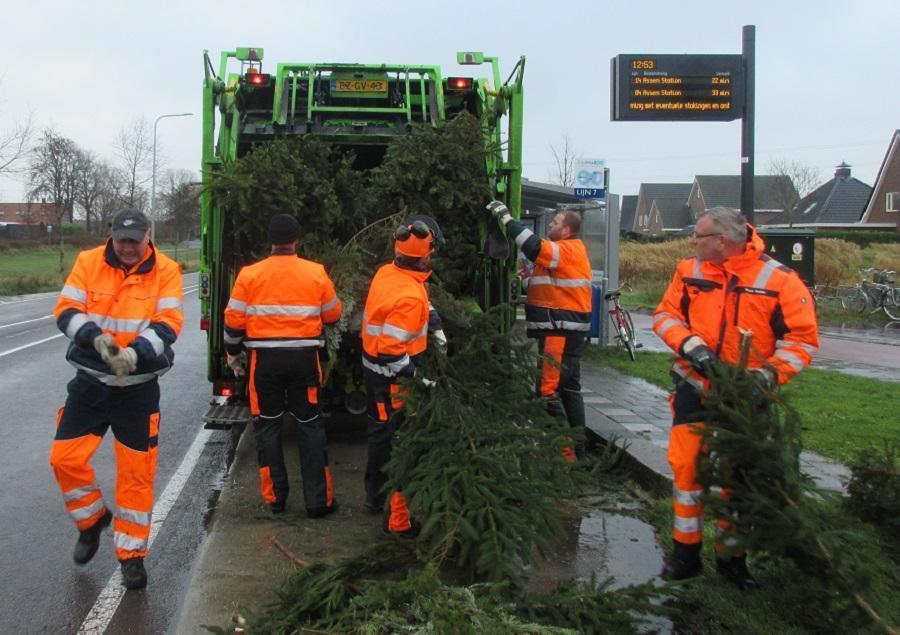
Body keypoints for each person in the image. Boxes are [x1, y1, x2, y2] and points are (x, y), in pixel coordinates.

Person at [652, 206, 819, 589]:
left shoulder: (780, 280)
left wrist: (766, 374)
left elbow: (801, 340)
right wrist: (693, 347)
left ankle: (732, 559)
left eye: (699, 235)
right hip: (696, 388)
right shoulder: (689, 270)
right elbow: (665, 315)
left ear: (722, 241)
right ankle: (685, 554)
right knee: (687, 469)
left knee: (737, 479)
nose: (692, 241)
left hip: (747, 398)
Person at [49, 208, 184, 591]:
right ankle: (91, 520)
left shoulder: (167, 270)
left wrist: (134, 354)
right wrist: (96, 339)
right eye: (122, 240)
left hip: (138, 390)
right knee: (64, 460)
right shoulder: (89, 262)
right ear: (112, 236)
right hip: (91, 383)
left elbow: (169, 323)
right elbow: (66, 310)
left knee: (136, 477)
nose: (128, 247)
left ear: (148, 237)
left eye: (135, 240)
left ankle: (131, 556)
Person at [223, 214, 342, 518]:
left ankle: (276, 498)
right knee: (310, 426)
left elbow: (233, 322)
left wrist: (233, 354)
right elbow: (332, 315)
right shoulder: (315, 272)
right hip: (304, 360)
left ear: (270, 241)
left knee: (268, 427)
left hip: (265, 364)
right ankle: (319, 502)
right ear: (296, 240)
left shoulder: (249, 275)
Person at [488, 201, 592, 461]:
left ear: (566, 230)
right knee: (569, 390)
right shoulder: (568, 251)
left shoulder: (564, 250)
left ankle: (566, 454)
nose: (551, 225)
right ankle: (578, 451)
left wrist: (506, 218)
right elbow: (551, 285)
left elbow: (533, 246)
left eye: (556, 223)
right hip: (565, 329)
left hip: (559, 330)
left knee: (548, 391)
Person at [361, 215, 445, 537]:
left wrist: (434, 321)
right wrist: (416, 378)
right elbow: (392, 350)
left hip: (374, 373)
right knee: (400, 444)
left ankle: (374, 496)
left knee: (380, 434)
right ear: (424, 256)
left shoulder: (389, 272)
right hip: (393, 381)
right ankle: (399, 519)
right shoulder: (409, 298)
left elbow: (420, 295)